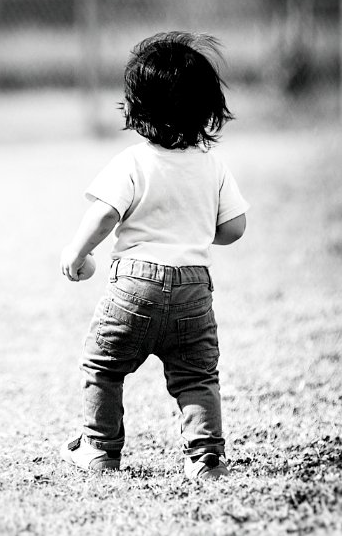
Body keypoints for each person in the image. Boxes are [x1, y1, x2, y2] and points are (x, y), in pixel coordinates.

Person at [59, 32, 249, 479]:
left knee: (103, 364)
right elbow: (235, 228)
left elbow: (105, 214)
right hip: (193, 288)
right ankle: (204, 457)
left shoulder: (133, 162)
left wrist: (76, 253)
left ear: (135, 108)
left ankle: (99, 448)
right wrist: (197, 232)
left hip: (134, 287)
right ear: (208, 108)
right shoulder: (213, 166)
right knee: (197, 377)